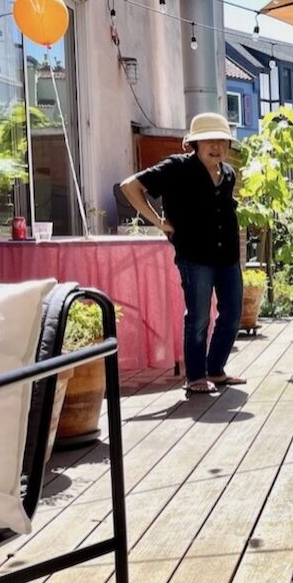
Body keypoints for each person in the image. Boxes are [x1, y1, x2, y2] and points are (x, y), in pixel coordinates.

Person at [120, 112, 246, 395]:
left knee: (232, 313)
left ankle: (216, 370)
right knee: (200, 316)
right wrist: (159, 222)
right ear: (195, 144)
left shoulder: (227, 173)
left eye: (221, 141)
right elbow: (130, 186)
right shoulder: (176, 167)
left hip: (227, 256)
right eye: (208, 141)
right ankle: (196, 376)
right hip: (194, 255)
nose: (216, 146)